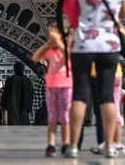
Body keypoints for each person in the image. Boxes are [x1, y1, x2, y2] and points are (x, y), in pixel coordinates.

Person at [50, 0, 125, 159]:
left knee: (80, 96)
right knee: (108, 97)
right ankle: (110, 145)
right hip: (109, 47)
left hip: (84, 46)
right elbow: (123, 13)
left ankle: (73, 145)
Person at [33, 27, 72, 156]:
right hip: (53, 86)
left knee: (65, 118)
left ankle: (66, 144)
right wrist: (47, 45)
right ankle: (51, 145)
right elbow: (36, 57)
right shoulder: (52, 52)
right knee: (53, 118)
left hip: (65, 86)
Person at [1, 61, 33, 126]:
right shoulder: (28, 80)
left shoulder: (10, 80)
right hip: (25, 109)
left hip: (13, 108)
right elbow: (31, 95)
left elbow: (5, 94)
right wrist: (29, 107)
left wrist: (3, 105)